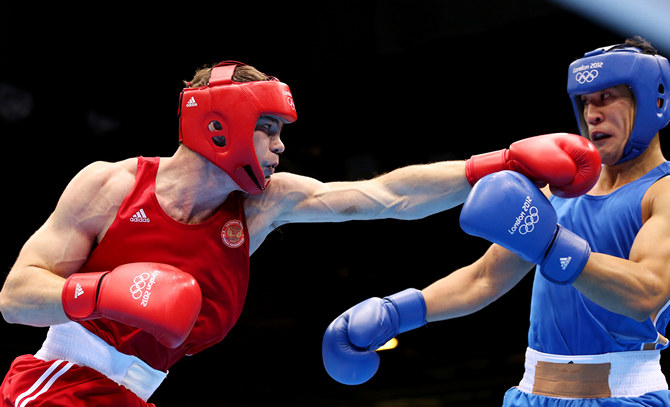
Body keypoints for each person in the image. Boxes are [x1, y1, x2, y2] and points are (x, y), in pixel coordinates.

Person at [0, 60, 600, 406]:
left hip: (133, 395)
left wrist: (496, 164)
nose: (281, 146)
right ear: (220, 124)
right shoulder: (109, 185)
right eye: (268, 128)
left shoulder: (260, 205)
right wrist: (102, 292)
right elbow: (15, 297)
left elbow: (386, 196)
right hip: (58, 385)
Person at [322, 36, 670, 406]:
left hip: (623, 395)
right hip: (531, 394)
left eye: (607, 97)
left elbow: (645, 294)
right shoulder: (560, 190)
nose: (592, 114)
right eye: (585, 101)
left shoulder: (662, 192)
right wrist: (396, 312)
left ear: (653, 101)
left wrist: (551, 245)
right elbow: (484, 278)